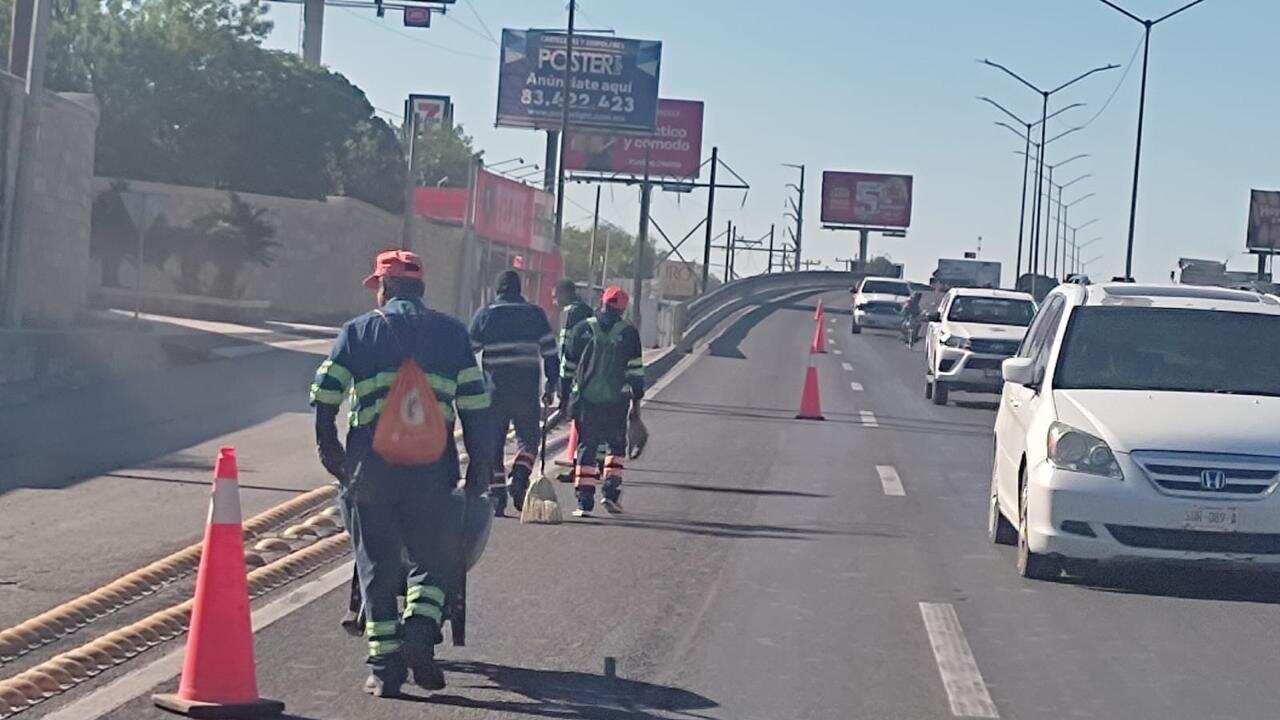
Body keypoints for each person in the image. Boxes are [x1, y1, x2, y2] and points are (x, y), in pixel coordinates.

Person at [310, 250, 495, 697]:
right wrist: (479, 472)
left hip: (370, 473)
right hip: (431, 472)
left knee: (376, 566)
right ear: (421, 290)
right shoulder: (453, 335)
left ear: (383, 289)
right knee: (433, 561)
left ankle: (384, 669)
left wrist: (331, 454)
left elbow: (325, 397)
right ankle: (420, 633)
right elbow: (475, 408)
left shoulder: (358, 331)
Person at [468, 270, 558, 517]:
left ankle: (497, 497)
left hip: (494, 391)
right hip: (526, 391)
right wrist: (553, 382)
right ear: (520, 290)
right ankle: (519, 476)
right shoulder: (535, 314)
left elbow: (468, 351)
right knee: (529, 440)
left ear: (498, 290)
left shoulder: (486, 314)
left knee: (493, 445)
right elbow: (550, 351)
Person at [563, 285, 644, 517]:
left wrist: (565, 395)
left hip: (586, 399)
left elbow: (567, 367)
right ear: (623, 308)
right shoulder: (629, 333)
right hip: (616, 400)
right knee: (616, 447)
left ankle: (584, 502)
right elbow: (636, 372)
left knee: (586, 446)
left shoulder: (582, 328)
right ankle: (610, 493)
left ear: (602, 301)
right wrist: (636, 403)